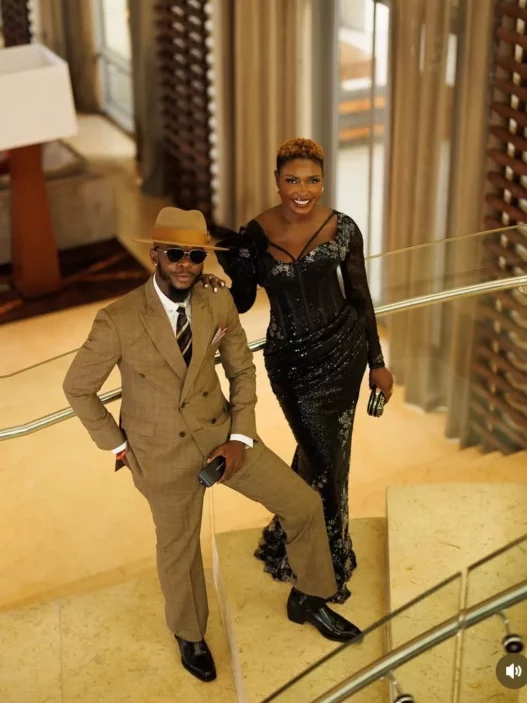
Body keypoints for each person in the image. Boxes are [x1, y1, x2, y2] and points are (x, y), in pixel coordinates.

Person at [63, 207, 362, 684]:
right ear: (155, 255)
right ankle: (189, 634)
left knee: (303, 503)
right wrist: (117, 444)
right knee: (179, 551)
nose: (186, 264)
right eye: (175, 254)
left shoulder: (215, 301)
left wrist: (240, 436)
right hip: (161, 456)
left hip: (224, 435)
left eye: (196, 255)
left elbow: (241, 370)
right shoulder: (117, 319)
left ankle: (309, 597)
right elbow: (77, 387)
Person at [215, 138, 394, 605]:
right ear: (276, 181)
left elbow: (360, 296)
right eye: (292, 180)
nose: (303, 190)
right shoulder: (255, 234)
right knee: (321, 458)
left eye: (313, 180)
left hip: (344, 352)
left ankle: (315, 560)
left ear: (323, 181)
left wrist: (377, 363)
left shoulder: (344, 228)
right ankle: (310, 557)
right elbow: (242, 302)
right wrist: (229, 267)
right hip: (290, 364)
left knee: (328, 461)